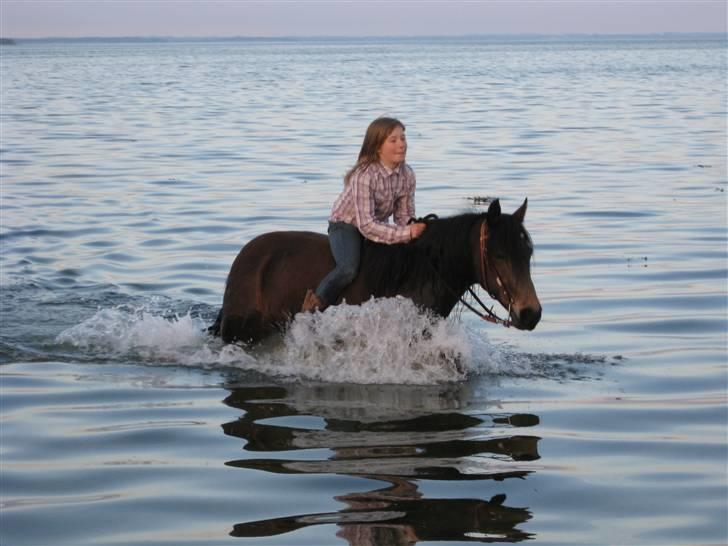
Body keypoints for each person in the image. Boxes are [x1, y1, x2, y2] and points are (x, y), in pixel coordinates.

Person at [301, 117, 427, 313]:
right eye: (393, 140)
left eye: (403, 138)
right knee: (348, 268)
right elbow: (366, 226)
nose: (401, 144)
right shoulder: (365, 175)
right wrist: (407, 233)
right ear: (377, 147)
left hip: (377, 225)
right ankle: (315, 305)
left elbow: (404, 216)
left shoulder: (407, 174)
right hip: (346, 224)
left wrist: (414, 232)